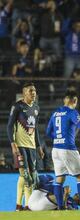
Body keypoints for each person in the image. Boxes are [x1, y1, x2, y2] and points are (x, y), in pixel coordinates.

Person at [7, 82, 44, 211]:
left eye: (34, 90)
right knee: (26, 176)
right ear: (24, 93)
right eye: (30, 91)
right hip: (20, 145)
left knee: (31, 177)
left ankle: (21, 206)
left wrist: (39, 146)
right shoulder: (17, 106)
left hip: (32, 147)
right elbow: (10, 126)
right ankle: (27, 206)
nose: (33, 93)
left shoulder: (36, 108)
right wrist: (13, 143)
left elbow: (36, 129)